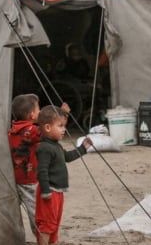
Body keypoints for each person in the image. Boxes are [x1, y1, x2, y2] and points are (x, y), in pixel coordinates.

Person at [35, 105, 92, 245]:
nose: (64, 129)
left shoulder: (56, 145)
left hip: (58, 192)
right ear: (48, 128)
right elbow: (41, 171)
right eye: (60, 126)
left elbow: (67, 157)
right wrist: (46, 190)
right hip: (49, 192)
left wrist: (83, 149)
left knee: (54, 224)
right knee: (47, 225)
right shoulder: (44, 148)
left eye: (64, 126)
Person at [8, 94, 41, 235]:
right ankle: (42, 236)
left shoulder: (11, 131)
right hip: (29, 180)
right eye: (39, 109)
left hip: (13, 178)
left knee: (12, 212)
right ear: (32, 115)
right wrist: (62, 115)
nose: (41, 112)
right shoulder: (31, 131)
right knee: (36, 212)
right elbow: (48, 131)